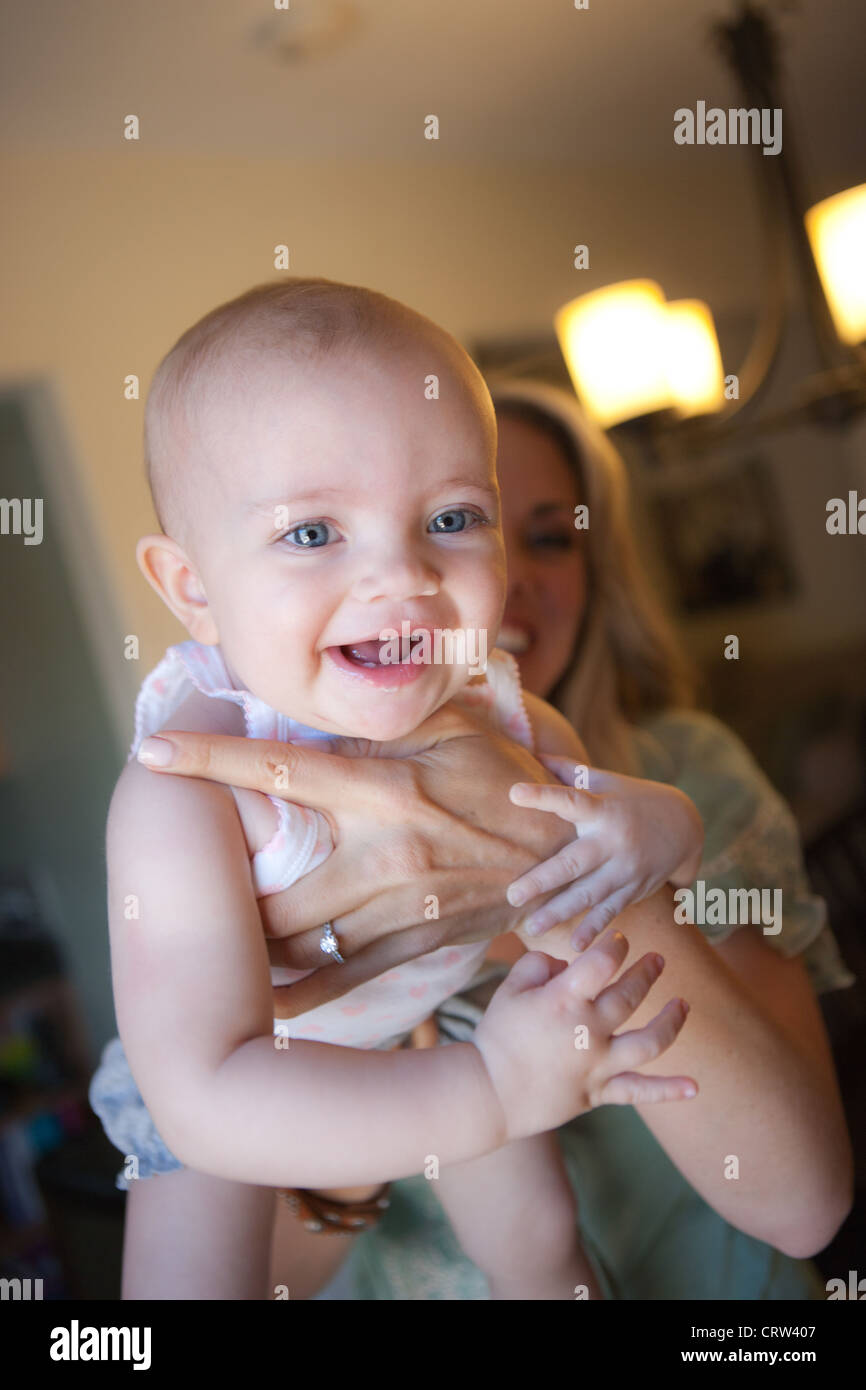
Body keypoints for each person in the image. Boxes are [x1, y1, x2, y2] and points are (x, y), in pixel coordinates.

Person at [126, 373, 855, 1301]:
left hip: (528, 1089)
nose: (404, 577)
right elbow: (206, 1099)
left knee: (540, 1241)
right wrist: (486, 1092)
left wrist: (658, 828)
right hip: (310, 1085)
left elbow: (622, 814)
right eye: (313, 532)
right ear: (191, 586)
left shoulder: (513, 715)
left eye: (456, 520)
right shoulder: (188, 774)